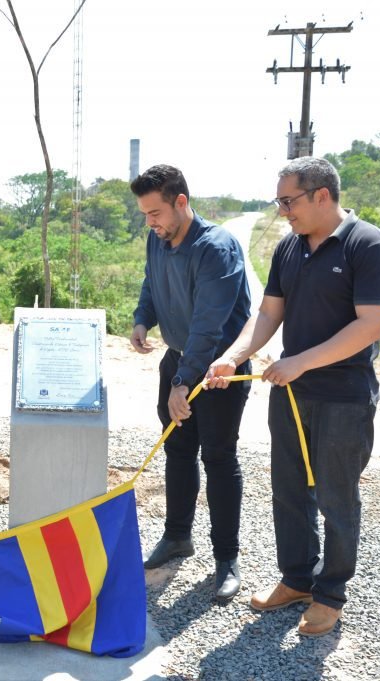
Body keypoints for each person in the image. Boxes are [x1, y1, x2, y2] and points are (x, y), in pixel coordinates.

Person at [207, 157, 380, 636]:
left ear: (322, 195)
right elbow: (269, 314)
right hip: (290, 393)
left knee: (336, 495)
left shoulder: (368, 245)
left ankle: (331, 595)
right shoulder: (290, 249)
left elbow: (369, 325)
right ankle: (297, 579)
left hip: (343, 397)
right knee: (290, 490)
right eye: (279, 202)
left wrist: (301, 361)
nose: (283, 211)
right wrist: (235, 355)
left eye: (288, 201)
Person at [129, 164, 252, 602]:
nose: (151, 222)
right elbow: (152, 281)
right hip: (177, 362)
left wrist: (183, 383)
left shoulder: (216, 248)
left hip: (218, 372)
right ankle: (178, 536)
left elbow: (209, 326)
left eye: (156, 212)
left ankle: (226, 560)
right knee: (178, 452)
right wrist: (143, 319)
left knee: (218, 459)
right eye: (145, 214)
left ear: (181, 202)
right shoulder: (157, 239)